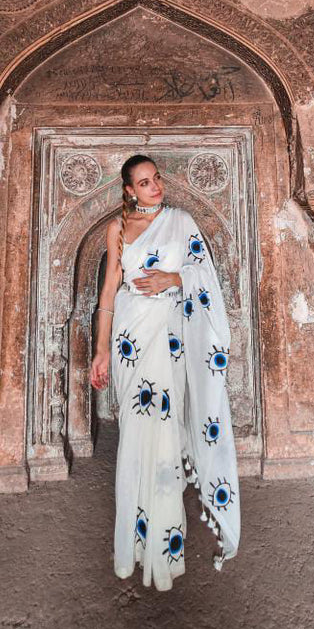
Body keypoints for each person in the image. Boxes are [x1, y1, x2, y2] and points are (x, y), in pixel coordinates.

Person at [90, 154, 241, 591]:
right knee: (137, 438)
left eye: (156, 178)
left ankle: (163, 552)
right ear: (129, 191)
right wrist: (101, 350)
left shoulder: (182, 221)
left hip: (170, 337)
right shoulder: (117, 228)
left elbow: (203, 276)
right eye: (144, 181)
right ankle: (133, 548)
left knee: (166, 437)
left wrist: (173, 279)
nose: (155, 186)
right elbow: (108, 294)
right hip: (130, 340)